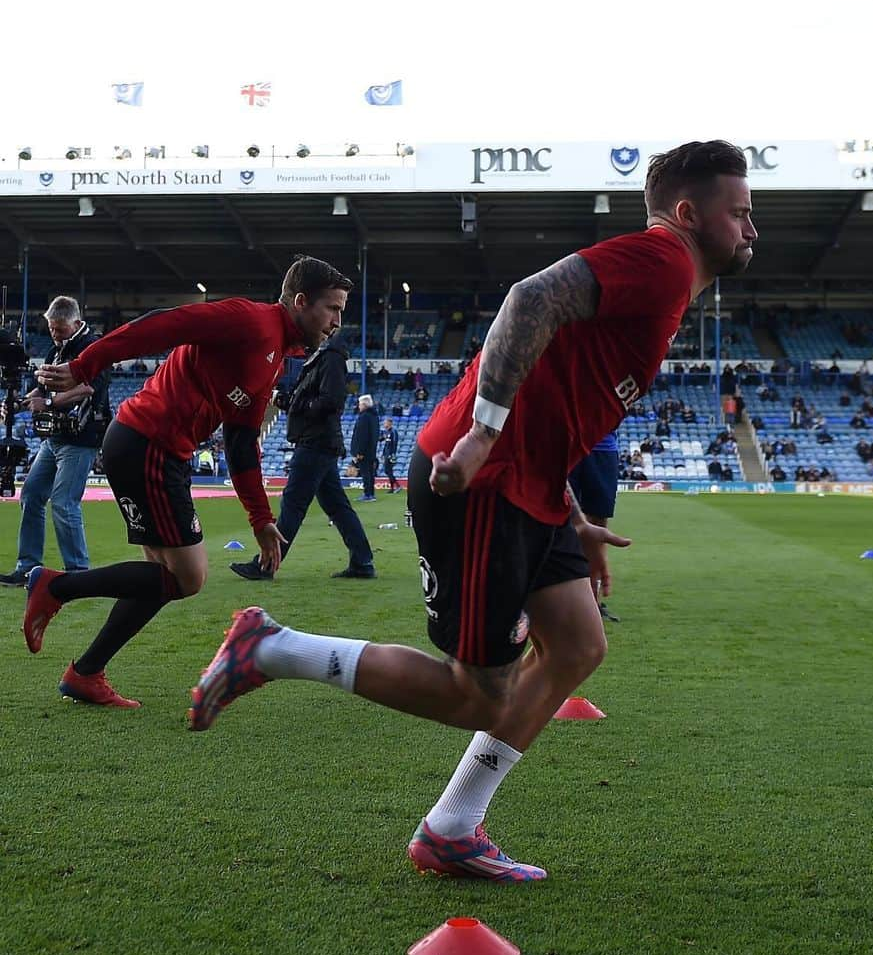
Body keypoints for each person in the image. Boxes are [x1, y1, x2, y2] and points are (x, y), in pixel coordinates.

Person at [188, 139, 757, 882]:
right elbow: (531, 298)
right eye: (740, 213)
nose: (752, 230)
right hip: (481, 477)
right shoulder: (663, 259)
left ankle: (452, 827)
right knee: (477, 693)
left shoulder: (669, 283)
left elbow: (563, 390)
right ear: (689, 214)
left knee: (579, 644)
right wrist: (485, 433)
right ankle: (270, 647)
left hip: (531, 485)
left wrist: (573, 516)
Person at [23, 255, 350, 708]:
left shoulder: (275, 356)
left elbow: (240, 444)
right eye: (333, 308)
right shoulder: (250, 320)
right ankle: (54, 587)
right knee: (188, 577)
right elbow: (165, 324)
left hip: (152, 448)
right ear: (300, 301)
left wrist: (260, 519)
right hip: (148, 443)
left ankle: (86, 672)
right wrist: (85, 365)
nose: (338, 321)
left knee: (161, 578)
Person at [230, 331, 376, 582]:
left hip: (314, 443)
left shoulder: (329, 357)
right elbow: (313, 400)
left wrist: (301, 405)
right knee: (338, 508)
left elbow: (330, 400)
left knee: (293, 506)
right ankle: (362, 562)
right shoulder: (324, 357)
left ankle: (266, 565)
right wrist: (285, 400)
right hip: (320, 442)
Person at [0, 297, 111, 587]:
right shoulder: (55, 350)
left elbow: (88, 388)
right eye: (51, 328)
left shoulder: (93, 348)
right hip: (54, 437)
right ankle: (28, 567)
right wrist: (18, 405)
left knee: (64, 502)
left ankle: (79, 574)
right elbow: (41, 389)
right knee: (32, 494)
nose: (55, 334)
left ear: (76, 322)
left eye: (59, 329)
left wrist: (47, 402)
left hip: (81, 437)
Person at [568, 433, 622, 623]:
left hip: (603, 447)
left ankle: (593, 602)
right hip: (566, 442)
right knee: (558, 521)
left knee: (598, 525)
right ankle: (562, 598)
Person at [350, 394, 379, 501]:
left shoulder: (364, 417)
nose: (358, 406)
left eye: (360, 404)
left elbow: (362, 435)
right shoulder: (374, 416)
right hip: (371, 450)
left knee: (365, 472)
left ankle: (367, 494)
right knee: (370, 472)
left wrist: (359, 451)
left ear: (364, 405)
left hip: (364, 451)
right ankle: (371, 493)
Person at [380, 417, 400, 493]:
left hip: (390, 454)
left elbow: (394, 443)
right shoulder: (386, 432)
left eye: (385, 423)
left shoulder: (393, 431)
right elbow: (385, 443)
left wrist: (392, 454)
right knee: (388, 471)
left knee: (388, 470)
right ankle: (393, 487)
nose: (384, 424)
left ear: (389, 423)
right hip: (386, 454)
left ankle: (396, 486)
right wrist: (383, 454)